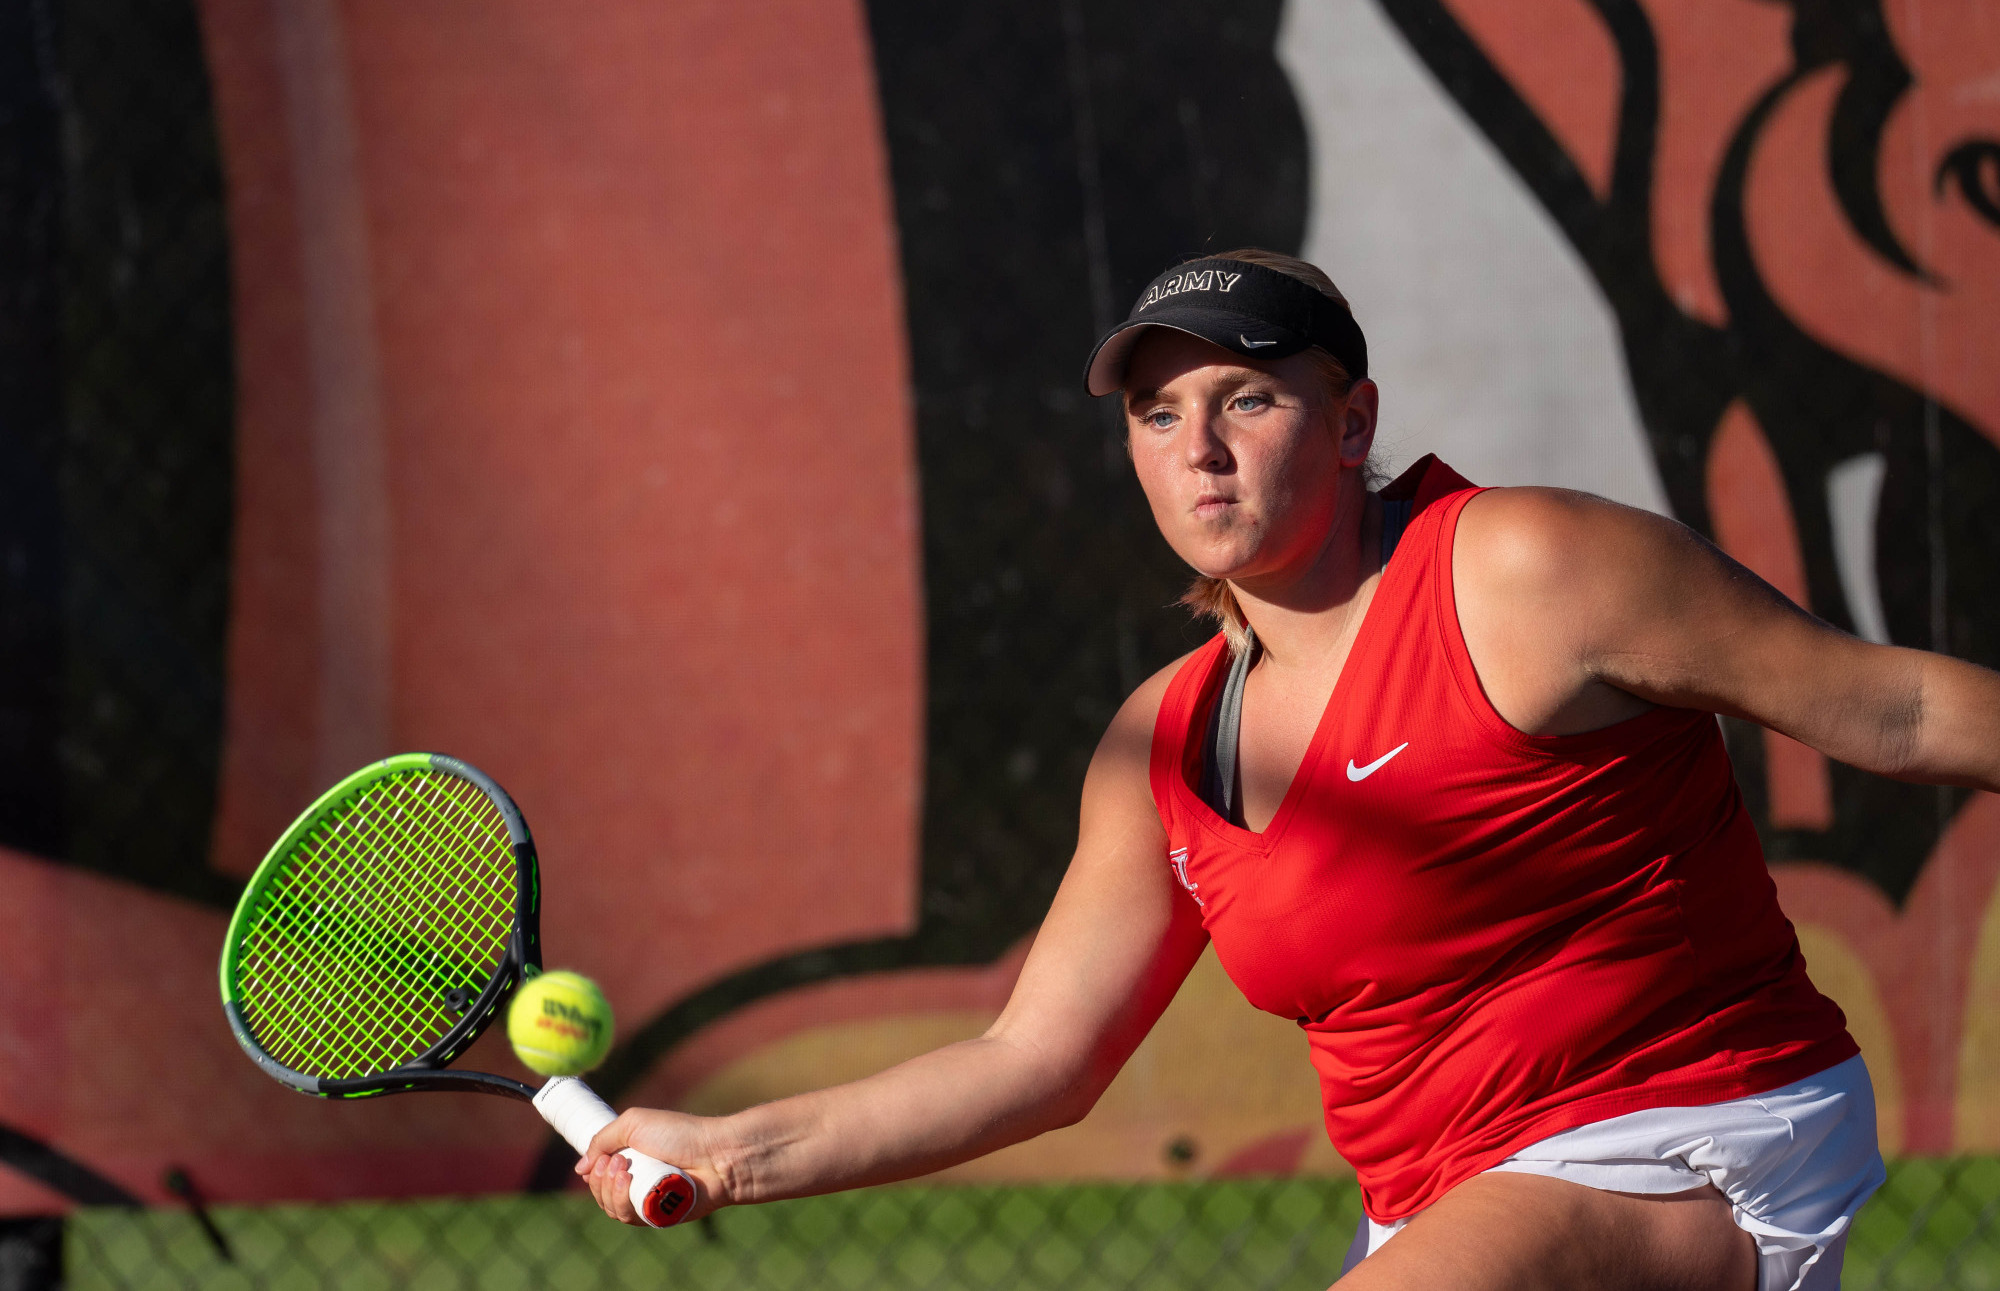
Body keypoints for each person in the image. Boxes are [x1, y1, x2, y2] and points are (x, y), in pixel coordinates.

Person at [580, 249, 2000, 1289]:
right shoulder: (1160, 743)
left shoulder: (1526, 568)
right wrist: (729, 1154)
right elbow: (1037, 1059)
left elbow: (1888, 712)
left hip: (1691, 1142)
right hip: (1435, 1208)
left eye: (1246, 399)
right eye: (1156, 415)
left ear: (1354, 421)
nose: (1198, 449)